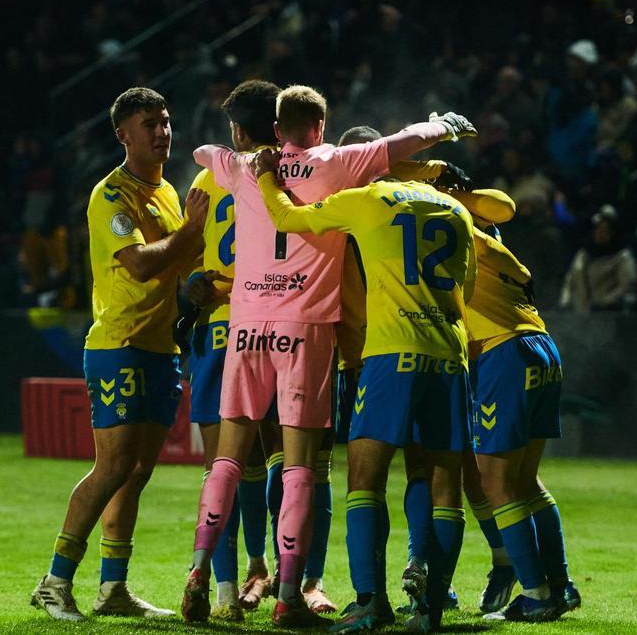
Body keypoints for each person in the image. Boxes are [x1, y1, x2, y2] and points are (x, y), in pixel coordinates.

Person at [180, 84, 476, 628]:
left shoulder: (244, 166)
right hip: (306, 329)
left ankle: (199, 572)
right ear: (320, 126)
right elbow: (403, 142)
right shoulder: (338, 164)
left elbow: (202, 153)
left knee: (226, 457)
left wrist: (250, 160)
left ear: (275, 128)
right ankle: (291, 595)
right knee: (301, 467)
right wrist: (445, 124)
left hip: (245, 326)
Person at [251, 141, 478, 633]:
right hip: (449, 355)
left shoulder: (366, 199)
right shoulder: (457, 209)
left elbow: (288, 219)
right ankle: (432, 608)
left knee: (364, 476)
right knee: (444, 484)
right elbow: (469, 288)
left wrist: (267, 176)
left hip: (390, 352)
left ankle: (370, 602)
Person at [30, 87, 210, 621]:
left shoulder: (170, 196)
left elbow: (173, 268)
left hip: (159, 349)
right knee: (111, 468)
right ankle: (55, 581)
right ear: (123, 135)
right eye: (149, 124)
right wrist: (193, 234)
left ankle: (113, 589)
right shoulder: (111, 194)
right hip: (119, 345)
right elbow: (137, 264)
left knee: (136, 473)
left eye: (166, 122)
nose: (162, 133)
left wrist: (194, 287)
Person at [180, 79, 283, 621]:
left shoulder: (207, 176)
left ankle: (222, 590)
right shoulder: (294, 173)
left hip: (221, 328)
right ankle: (284, 578)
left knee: (222, 463)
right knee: (286, 463)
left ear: (237, 131)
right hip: (279, 328)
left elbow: (191, 258)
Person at [467, 222, 580, 623]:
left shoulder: (466, 247)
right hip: (543, 349)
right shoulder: (508, 262)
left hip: (506, 354)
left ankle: (535, 594)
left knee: (495, 481)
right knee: (526, 480)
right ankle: (560, 584)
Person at [559, 205, 637, 312]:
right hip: (580, 316)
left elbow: (626, 287)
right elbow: (570, 279)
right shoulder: (583, 254)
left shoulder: (622, 257)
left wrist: (605, 303)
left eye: (605, 229)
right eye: (598, 228)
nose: (600, 233)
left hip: (608, 318)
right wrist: (564, 303)